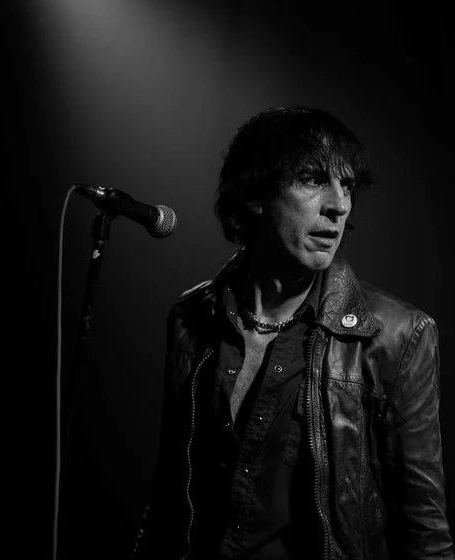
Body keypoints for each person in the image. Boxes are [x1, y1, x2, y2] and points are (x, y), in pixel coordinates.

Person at [132, 106, 454, 559]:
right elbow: (170, 496)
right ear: (255, 193)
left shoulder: (398, 336)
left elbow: (425, 531)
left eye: (347, 185)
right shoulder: (192, 318)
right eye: (313, 179)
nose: (339, 204)